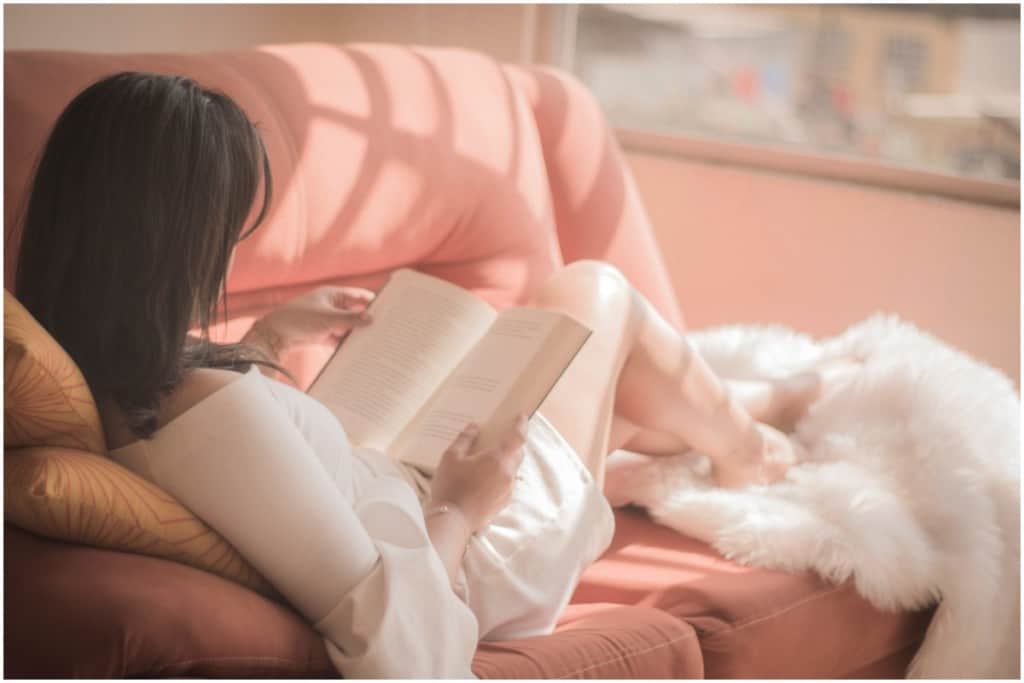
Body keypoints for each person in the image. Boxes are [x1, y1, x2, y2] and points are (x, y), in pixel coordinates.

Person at [14, 72, 855, 678]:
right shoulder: (198, 416)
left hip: (407, 495)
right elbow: (399, 647)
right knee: (590, 293)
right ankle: (752, 451)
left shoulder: (113, 368)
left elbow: (256, 479)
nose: (229, 250)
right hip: (475, 558)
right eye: (224, 228)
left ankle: (745, 405)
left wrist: (268, 335)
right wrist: (462, 503)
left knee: (587, 368)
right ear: (170, 241)